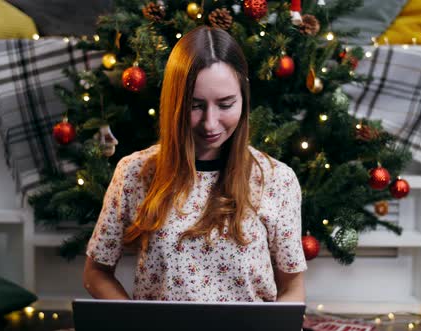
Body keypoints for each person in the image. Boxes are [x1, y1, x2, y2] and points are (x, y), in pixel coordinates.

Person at [83, 25, 307, 303]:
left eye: (225, 105)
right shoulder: (134, 173)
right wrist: (135, 322)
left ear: (243, 100)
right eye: (195, 105)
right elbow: (96, 272)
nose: (210, 124)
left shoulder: (277, 180)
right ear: (175, 102)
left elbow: (293, 288)